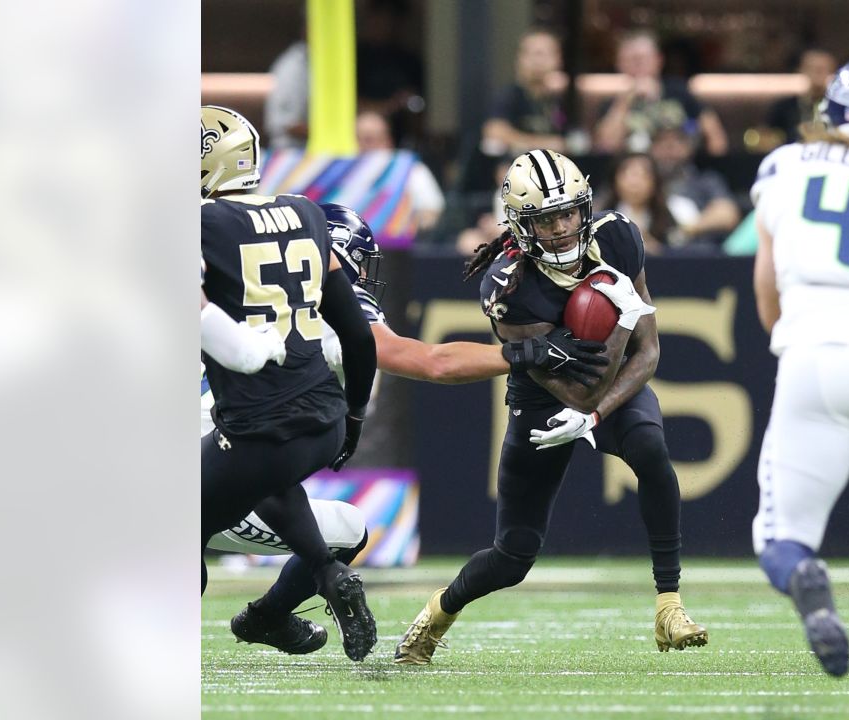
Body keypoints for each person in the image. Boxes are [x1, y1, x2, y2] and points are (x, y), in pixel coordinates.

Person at [215, 203, 609, 656]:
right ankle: (269, 609)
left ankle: (268, 615)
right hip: (224, 473)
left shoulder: (234, 290)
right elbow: (432, 362)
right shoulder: (327, 310)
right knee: (284, 495)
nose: (362, 275)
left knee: (339, 521)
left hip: (210, 458)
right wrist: (525, 352)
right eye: (356, 262)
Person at [394, 150, 709, 666]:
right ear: (522, 224)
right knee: (513, 555)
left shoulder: (618, 236)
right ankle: (436, 614)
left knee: (651, 448)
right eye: (546, 218)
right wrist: (618, 318)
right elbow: (577, 392)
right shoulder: (511, 285)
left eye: (568, 213)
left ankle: (669, 605)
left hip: (611, 387)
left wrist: (601, 408)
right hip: (543, 401)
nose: (562, 228)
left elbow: (648, 352)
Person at [200, 104, 380, 661]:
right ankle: (305, 591)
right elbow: (359, 336)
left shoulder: (202, 226)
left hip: (248, 428)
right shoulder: (307, 213)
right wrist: (352, 421)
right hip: (321, 420)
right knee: (275, 479)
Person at [748, 54, 849, 678]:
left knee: (782, 541)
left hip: (819, 350)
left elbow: (767, 291)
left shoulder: (785, 167)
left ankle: (805, 577)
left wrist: (797, 346)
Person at [593, 30, 727, 156]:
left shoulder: (679, 92)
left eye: (643, 58)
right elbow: (606, 146)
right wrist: (625, 101)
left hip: (682, 174)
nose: (638, 64)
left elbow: (716, 137)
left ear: (659, 60)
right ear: (619, 64)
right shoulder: (612, 104)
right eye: (630, 59)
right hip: (634, 175)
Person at [649, 125, 742, 246]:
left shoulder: (706, 180)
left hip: (699, 253)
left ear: (689, 147)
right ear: (651, 148)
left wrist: (686, 230)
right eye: (661, 141)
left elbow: (728, 215)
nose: (669, 147)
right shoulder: (643, 182)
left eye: (677, 141)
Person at [482, 29, 570, 155]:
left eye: (544, 54)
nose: (538, 61)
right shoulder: (509, 96)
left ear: (558, 59)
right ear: (519, 59)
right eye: (532, 53)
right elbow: (494, 130)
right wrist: (544, 144)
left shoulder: (560, 101)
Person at [355, 110, 444, 231]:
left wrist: (408, 223)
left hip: (398, 246)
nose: (364, 145)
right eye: (359, 139)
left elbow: (433, 210)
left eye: (370, 139)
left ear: (387, 140)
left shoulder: (411, 170)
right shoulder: (342, 173)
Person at [595, 152, 679, 255]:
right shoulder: (600, 217)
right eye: (628, 175)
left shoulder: (670, 215)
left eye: (643, 176)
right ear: (615, 180)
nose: (635, 183)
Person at [763, 48, 838, 147]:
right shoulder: (783, 108)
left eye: (823, 69)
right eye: (812, 68)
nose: (817, 74)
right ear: (801, 69)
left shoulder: (841, 108)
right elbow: (767, 140)